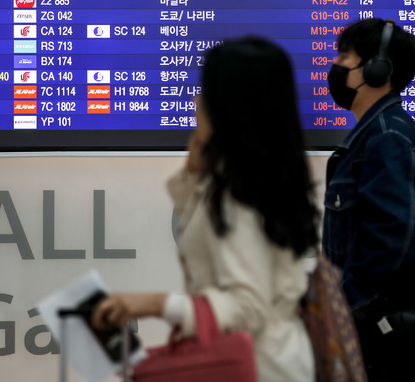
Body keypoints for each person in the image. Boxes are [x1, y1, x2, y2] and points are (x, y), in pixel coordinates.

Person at [92, 37, 319, 382]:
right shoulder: (267, 177)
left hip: (255, 367)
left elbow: (248, 309)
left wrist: (154, 304)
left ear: (228, 104)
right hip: (278, 361)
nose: (197, 100)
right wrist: (194, 172)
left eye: (206, 90)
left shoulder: (240, 195)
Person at [322, 18, 415, 381]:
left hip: (395, 336)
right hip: (386, 327)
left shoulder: (386, 138)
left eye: (344, 56)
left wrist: (341, 309)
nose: (335, 65)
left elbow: (391, 237)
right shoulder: (378, 133)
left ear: (377, 70)